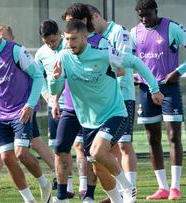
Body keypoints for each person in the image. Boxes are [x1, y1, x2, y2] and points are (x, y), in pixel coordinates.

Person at [50, 19, 164, 203]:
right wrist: (55, 79)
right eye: (68, 39)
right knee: (98, 168)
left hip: (114, 114)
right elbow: (55, 90)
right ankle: (117, 200)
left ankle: (128, 187)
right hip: (87, 121)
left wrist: (154, 88)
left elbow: (135, 62)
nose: (70, 44)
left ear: (85, 37)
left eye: (74, 39)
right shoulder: (63, 57)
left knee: (96, 152)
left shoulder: (103, 54)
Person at [0, 17, 52, 203]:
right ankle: (29, 200)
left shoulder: (16, 51)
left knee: (21, 153)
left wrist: (30, 105)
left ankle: (44, 183)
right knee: (7, 158)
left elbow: (38, 76)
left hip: (21, 111)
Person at [130, 0, 186, 200]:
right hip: (146, 90)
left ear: (156, 11)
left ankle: (175, 187)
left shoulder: (172, 27)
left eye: (147, 14)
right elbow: (130, 59)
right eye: (140, 15)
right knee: (152, 139)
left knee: (173, 136)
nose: (144, 19)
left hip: (169, 88)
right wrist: (135, 76)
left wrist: (179, 71)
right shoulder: (134, 32)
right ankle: (162, 188)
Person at [54, 3, 111, 202]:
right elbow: (61, 75)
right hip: (71, 107)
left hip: (95, 111)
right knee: (61, 147)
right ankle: (62, 196)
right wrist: (55, 100)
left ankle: (90, 196)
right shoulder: (68, 43)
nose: (67, 29)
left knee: (92, 154)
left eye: (70, 22)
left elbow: (116, 73)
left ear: (84, 23)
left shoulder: (102, 44)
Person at [85, 4, 138, 203]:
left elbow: (122, 65)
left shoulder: (120, 32)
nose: (87, 28)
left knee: (124, 144)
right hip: (104, 100)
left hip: (122, 97)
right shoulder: (95, 39)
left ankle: (130, 190)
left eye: (88, 22)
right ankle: (120, 192)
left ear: (96, 17)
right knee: (107, 149)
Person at [35, 19, 87, 198]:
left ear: (60, 34)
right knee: (60, 148)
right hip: (55, 107)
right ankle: (68, 187)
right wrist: (45, 94)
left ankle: (84, 185)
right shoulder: (41, 54)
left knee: (79, 145)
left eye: (53, 40)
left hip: (75, 105)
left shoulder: (71, 47)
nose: (51, 44)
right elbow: (37, 76)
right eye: (47, 41)